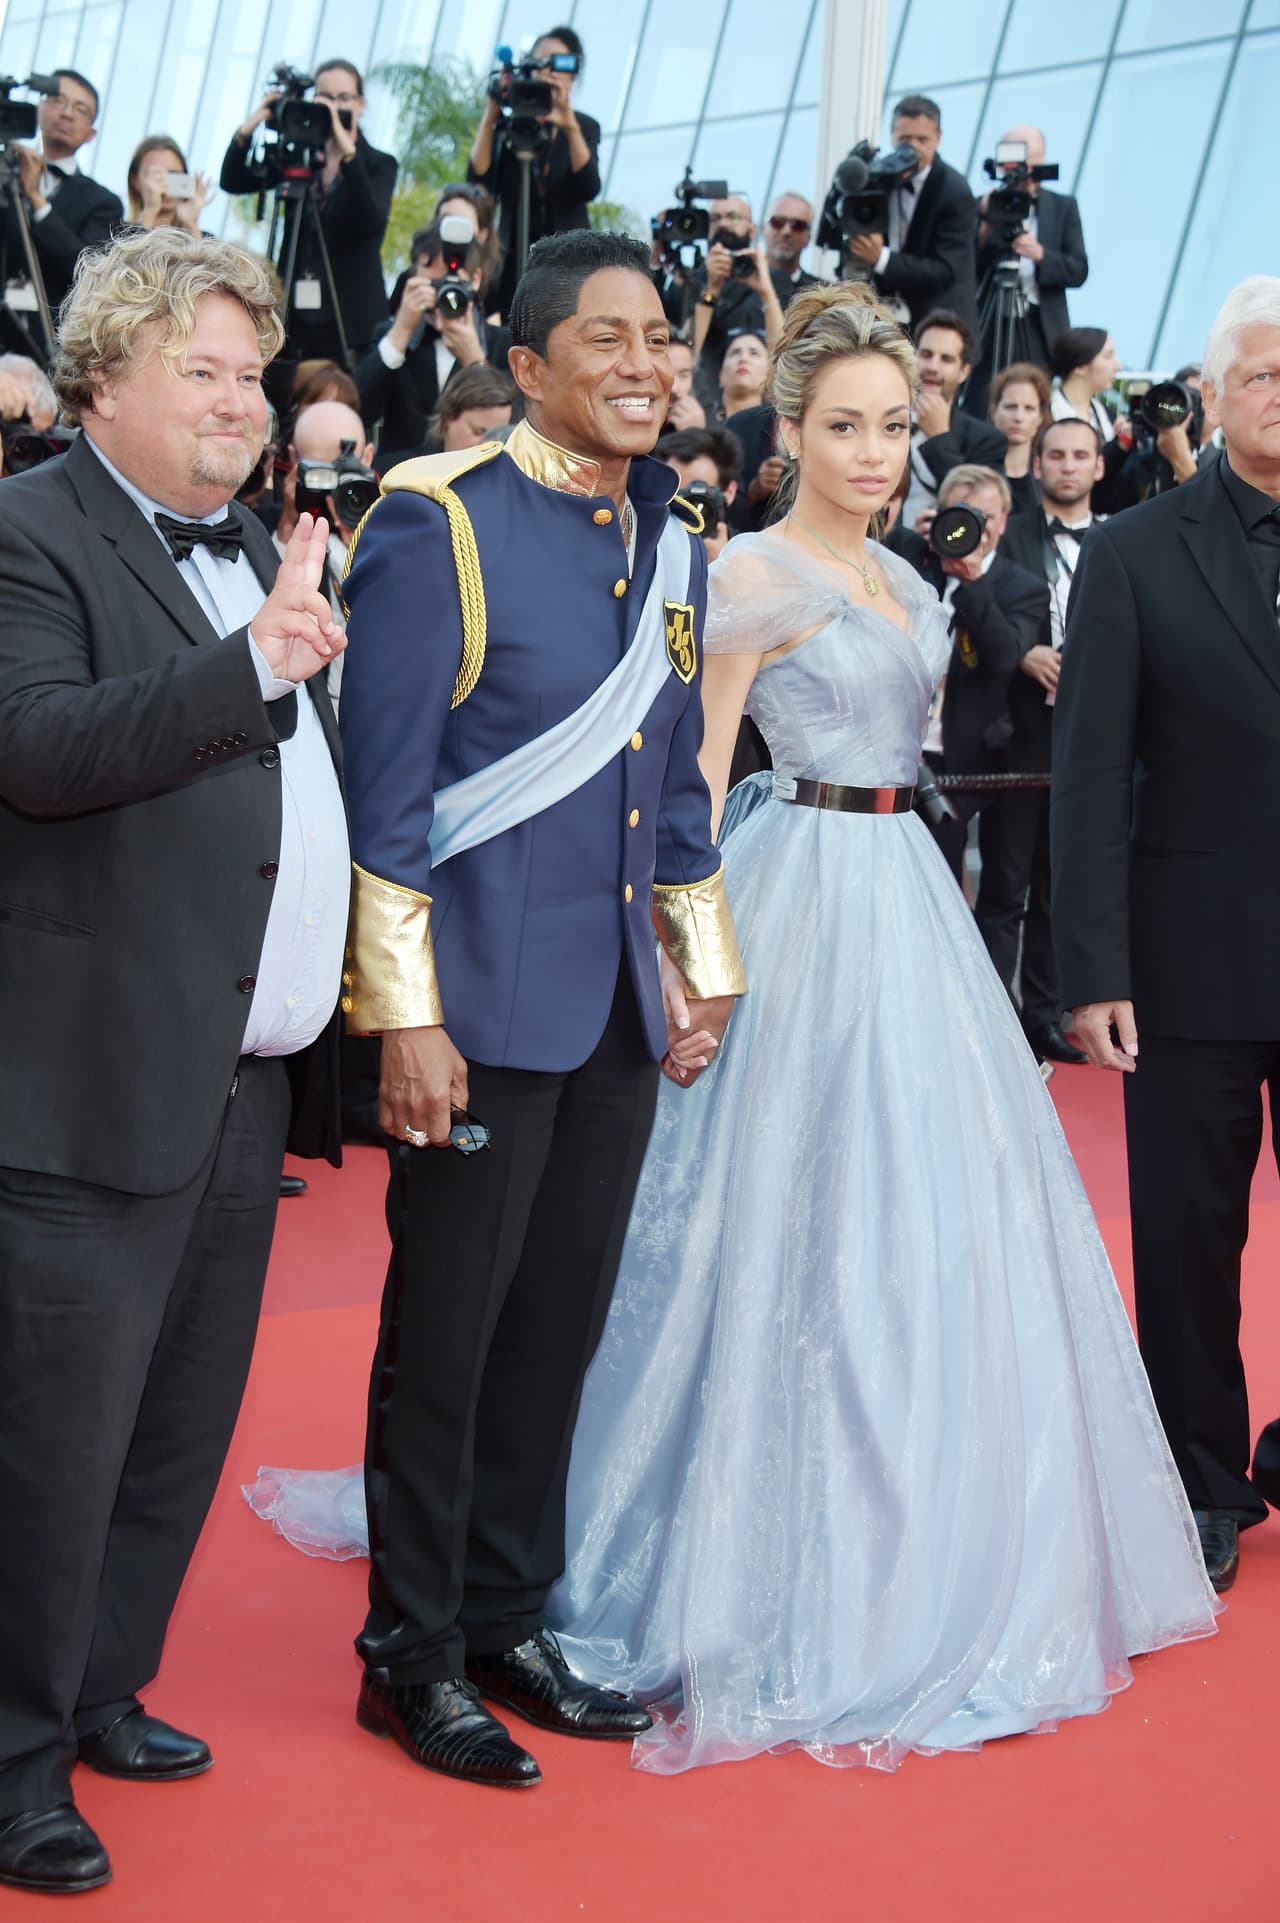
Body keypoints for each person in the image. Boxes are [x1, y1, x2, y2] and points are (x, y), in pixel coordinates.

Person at [535, 280, 1216, 1773]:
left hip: (907, 891)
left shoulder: (914, 578)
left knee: (925, 1212)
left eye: (896, 427)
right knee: (767, 1209)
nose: (873, 453)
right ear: (790, 431)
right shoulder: (745, 574)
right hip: (790, 888)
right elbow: (694, 777)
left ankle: (928, 1528)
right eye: (844, 426)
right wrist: (689, 957)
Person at [319, 227, 746, 1790]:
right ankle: (410, 1650)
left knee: (555, 1331)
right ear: (526, 364)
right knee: (448, 1338)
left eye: (663, 339)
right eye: (609, 339)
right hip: (478, 1014)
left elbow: (672, 784)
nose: (648, 365)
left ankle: (507, 1614)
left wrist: (701, 965)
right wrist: (405, 1015)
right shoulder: (438, 520)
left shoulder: (672, 538)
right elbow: (385, 801)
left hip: (616, 1011)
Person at [0, 227, 347, 1897]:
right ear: (99, 383)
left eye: (250, 375)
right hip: (89, 1079)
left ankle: (98, 1687)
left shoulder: (261, 544)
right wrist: (252, 663)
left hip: (241, 1074)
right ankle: (9, 1761)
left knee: (175, 1427)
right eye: (199, 371)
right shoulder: (25, 533)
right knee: (49, 1450)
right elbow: (37, 749)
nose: (237, 402)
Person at [1051, 275, 1280, 1595]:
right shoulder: (1135, 552)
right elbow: (1088, 774)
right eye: (1258, 374)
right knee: (1189, 1238)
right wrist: (1093, 967)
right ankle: (1199, 1480)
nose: (1277, 396)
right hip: (1190, 957)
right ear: (1210, 394)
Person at [987, 416, 1104, 1070]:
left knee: (1060, 885)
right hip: (1019, 731)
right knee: (1006, 885)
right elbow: (980, 610)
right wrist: (1024, 653)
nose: (1067, 465)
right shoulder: (1011, 535)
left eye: (1080, 455)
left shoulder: (1119, 537)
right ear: (1037, 467)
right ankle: (994, 1022)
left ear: (1098, 466)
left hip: (1091, 735)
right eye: (1056, 455)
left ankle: (1044, 1014)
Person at [910, 464, 1050, 890]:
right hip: (898, 745)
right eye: (960, 514)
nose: (971, 527)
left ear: (1003, 522)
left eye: (984, 517)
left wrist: (973, 582)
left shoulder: (1023, 587)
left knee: (943, 878)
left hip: (965, 758)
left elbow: (1004, 657)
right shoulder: (911, 565)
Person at [221, 58, 397, 364]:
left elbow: (371, 221)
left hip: (351, 323)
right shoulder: (298, 158)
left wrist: (348, 153)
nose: (333, 107)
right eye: (325, 97)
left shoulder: (378, 164)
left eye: (343, 98)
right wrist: (252, 124)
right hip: (296, 318)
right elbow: (233, 181)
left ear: (361, 104)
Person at [468, 26, 601, 321]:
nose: (551, 72)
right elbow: (477, 180)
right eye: (543, 61)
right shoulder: (510, 125)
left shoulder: (584, 126)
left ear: (572, 77)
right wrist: (492, 114)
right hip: (514, 262)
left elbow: (589, 186)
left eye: (560, 64)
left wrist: (568, 125)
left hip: (571, 263)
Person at [355, 220, 494, 462]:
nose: (442, 294)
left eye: (451, 284)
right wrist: (401, 332)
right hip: (401, 474)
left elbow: (510, 427)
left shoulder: (500, 342)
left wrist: (475, 361)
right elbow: (359, 412)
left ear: (475, 279)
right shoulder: (393, 337)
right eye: (433, 283)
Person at [5, 70, 123, 353]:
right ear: (39, 108)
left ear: (91, 134)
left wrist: (36, 200)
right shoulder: (6, 171)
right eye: (57, 100)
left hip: (46, 341)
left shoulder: (103, 202)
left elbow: (86, 270)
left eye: (80, 109)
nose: (67, 113)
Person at [844, 94, 978, 333]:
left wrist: (881, 258)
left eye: (922, 139)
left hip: (936, 326)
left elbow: (945, 271)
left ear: (938, 138)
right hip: (881, 321)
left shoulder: (955, 190)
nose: (912, 147)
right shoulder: (876, 178)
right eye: (904, 139)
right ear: (892, 136)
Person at [976, 125, 1088, 371]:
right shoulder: (983, 207)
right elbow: (965, 268)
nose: (1023, 174)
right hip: (988, 324)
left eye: (1030, 164)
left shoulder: (1062, 207)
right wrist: (985, 222)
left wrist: (1040, 254)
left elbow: (1078, 270)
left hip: (1039, 327)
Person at [901, 309, 1007, 531]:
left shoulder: (987, 440)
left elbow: (975, 506)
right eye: (926, 355)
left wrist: (940, 437)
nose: (933, 367)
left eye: (946, 359)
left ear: (963, 372)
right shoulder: (883, 422)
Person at [691, 196, 784, 406]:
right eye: (715, 218)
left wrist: (766, 290)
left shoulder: (777, 280)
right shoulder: (694, 281)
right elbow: (687, 349)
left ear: (753, 230)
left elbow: (785, 356)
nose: (723, 224)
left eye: (733, 217)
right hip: (708, 401)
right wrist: (711, 290)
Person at [989, 358, 1051, 524]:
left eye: (1029, 408)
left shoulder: (1048, 477)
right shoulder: (977, 468)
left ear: (1040, 417)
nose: (1019, 417)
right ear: (994, 411)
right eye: (1010, 407)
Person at [124, 135, 212, 235]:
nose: (165, 183)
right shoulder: (116, 233)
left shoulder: (202, 236)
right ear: (135, 180)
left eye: (174, 174)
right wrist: (150, 210)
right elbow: (133, 244)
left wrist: (191, 224)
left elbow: (200, 246)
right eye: (156, 175)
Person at [428, 363, 516, 452]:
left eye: (500, 435)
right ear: (448, 416)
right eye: (479, 432)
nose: (489, 446)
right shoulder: (420, 460)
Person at [762, 191, 824, 308]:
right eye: (778, 222)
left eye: (798, 226)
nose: (786, 231)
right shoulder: (734, 285)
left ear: (808, 238)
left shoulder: (822, 294)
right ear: (763, 229)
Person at [717, 328, 769, 420]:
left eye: (754, 353)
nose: (743, 359)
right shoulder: (701, 418)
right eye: (735, 353)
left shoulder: (778, 424)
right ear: (721, 375)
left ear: (769, 375)